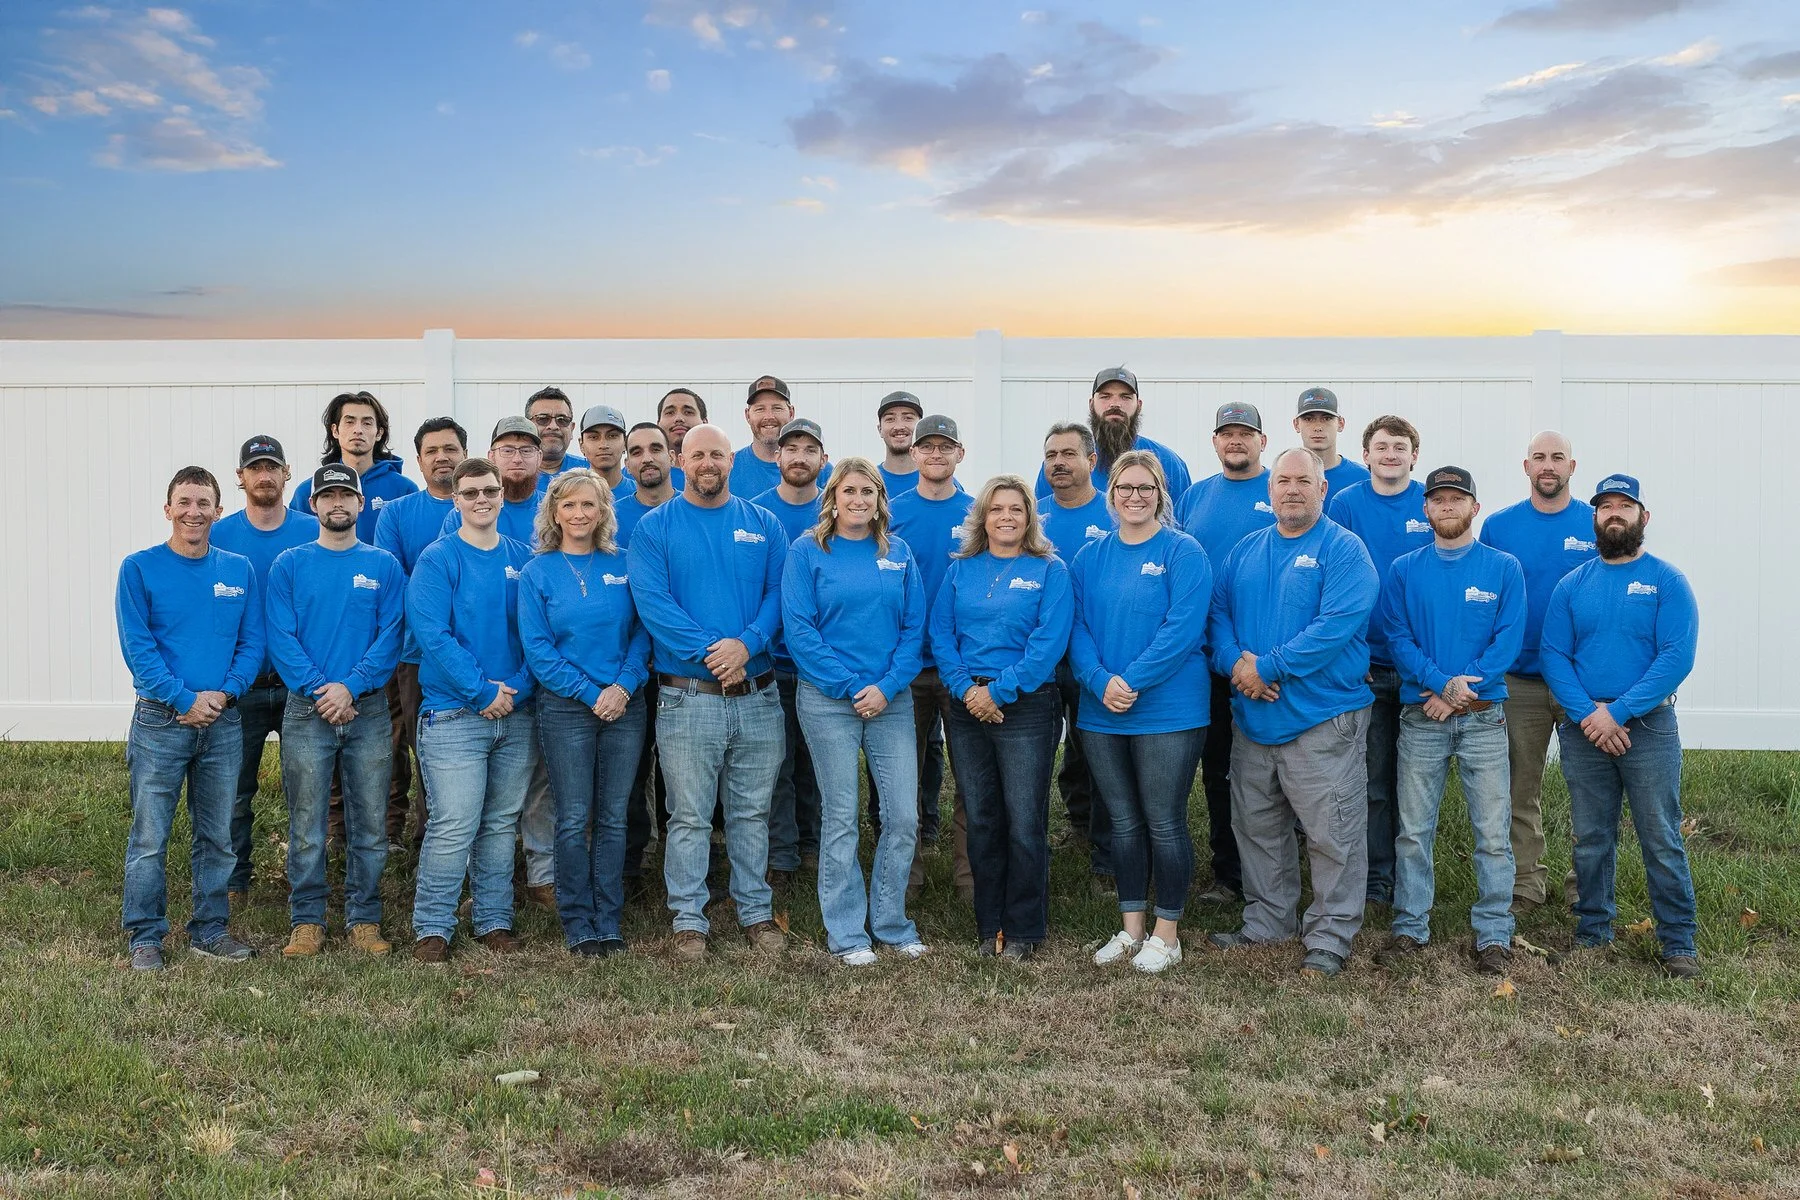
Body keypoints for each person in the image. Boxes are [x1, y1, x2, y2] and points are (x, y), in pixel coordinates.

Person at [1208, 448, 1379, 979]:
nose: (1292, 490)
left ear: (1322, 489)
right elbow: (1217, 614)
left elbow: (1336, 626)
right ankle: (1268, 921)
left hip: (1322, 718)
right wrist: (1236, 665)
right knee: (1257, 827)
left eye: (1304, 481)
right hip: (1253, 718)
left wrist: (1267, 667)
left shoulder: (1344, 550)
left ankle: (1331, 935)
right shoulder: (1245, 550)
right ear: (1270, 489)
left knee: (1333, 833)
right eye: (1283, 480)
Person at [627, 423, 790, 961]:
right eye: (697, 455)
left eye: (717, 454)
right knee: (689, 816)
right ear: (681, 461)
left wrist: (748, 644)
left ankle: (755, 911)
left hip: (758, 696)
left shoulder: (763, 524)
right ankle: (689, 918)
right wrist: (716, 654)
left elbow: (778, 594)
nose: (707, 464)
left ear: (731, 460)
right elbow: (654, 604)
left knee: (751, 813)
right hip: (687, 696)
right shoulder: (654, 528)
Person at [1540, 474, 1701, 979]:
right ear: (1594, 518)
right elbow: (1554, 655)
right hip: (1584, 728)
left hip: (1648, 727)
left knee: (1660, 835)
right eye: (1605, 506)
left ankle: (1678, 941)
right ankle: (1593, 932)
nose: (1614, 514)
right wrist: (1591, 715)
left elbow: (1676, 656)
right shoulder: (1572, 585)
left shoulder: (1667, 581)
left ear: (1642, 517)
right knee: (1590, 837)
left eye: (1624, 506)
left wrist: (1620, 711)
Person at [1375, 466, 1526, 975]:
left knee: (1493, 834)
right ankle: (1410, 926)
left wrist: (1458, 694)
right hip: (1422, 718)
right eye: (1437, 499)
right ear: (1425, 508)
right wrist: (1442, 685)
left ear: (1474, 508)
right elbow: (1398, 639)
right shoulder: (1403, 570)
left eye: (1456, 499)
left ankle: (1494, 934)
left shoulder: (1503, 568)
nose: (1446, 506)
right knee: (1413, 831)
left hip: (1484, 719)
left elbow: (1507, 640)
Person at [782, 457, 930, 965]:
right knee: (841, 816)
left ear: (880, 500)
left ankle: (891, 923)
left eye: (869, 491)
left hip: (891, 699)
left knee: (903, 816)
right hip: (828, 700)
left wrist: (885, 688)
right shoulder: (807, 551)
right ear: (833, 498)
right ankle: (847, 934)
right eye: (849, 491)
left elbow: (914, 630)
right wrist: (850, 687)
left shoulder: (898, 553)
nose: (859, 500)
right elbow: (800, 631)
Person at [116, 466, 263, 969]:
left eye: (204, 503)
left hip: (223, 721)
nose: (193, 512)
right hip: (161, 722)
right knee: (149, 837)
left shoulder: (238, 570)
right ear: (168, 509)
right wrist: (183, 699)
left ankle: (210, 928)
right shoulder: (139, 569)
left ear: (218, 511)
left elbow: (252, 643)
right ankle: (145, 934)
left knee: (218, 836)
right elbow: (139, 649)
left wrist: (225, 693)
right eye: (184, 502)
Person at [1071, 451, 1212, 974]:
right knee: (1123, 823)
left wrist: (1131, 680)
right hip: (1102, 708)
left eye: (1145, 488)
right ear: (1111, 495)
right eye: (1125, 488)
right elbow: (1075, 628)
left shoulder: (1183, 551)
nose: (1135, 496)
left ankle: (1166, 934)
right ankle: (1131, 928)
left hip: (1169, 709)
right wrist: (1099, 680)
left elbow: (1183, 628)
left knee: (1164, 821)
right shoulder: (1089, 557)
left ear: (1160, 494)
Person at [265, 465, 406, 958]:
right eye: (328, 495)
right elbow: (281, 638)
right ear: (314, 505)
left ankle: (363, 918)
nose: (338, 502)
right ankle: (307, 920)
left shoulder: (384, 565)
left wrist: (351, 687)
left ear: (361, 503)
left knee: (370, 822)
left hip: (367, 711)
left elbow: (392, 635)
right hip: (308, 711)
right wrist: (322, 690)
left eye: (347, 494)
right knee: (308, 824)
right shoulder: (289, 565)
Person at [931, 476, 1073, 960]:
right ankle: (988, 924)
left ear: (1030, 517)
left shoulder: (1049, 570)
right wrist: (967, 691)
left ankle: (1024, 929)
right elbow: (941, 635)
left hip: (1026, 705)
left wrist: (999, 692)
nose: (1006, 517)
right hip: (967, 704)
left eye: (1016, 508)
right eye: (996, 509)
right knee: (982, 817)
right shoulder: (960, 568)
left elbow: (1048, 643)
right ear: (982, 518)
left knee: (1024, 821)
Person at [407, 458, 537, 963]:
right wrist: (482, 692)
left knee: (501, 822)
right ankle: (433, 926)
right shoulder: (438, 559)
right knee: (455, 822)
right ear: (455, 499)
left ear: (502, 494)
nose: (481, 499)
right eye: (471, 492)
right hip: (454, 714)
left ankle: (493, 919)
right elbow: (432, 634)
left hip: (517, 712)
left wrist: (517, 688)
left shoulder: (523, 558)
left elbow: (537, 634)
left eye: (490, 490)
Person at [519, 470, 651, 958]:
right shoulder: (537, 572)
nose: (579, 514)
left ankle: (608, 918)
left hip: (625, 704)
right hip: (567, 708)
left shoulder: (624, 563)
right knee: (573, 818)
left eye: (589, 505)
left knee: (614, 817)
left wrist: (623, 686)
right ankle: (577, 920)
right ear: (554, 512)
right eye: (569, 505)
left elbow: (643, 632)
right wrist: (590, 693)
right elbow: (538, 649)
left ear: (603, 512)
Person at [1477, 431, 1597, 913]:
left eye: (1558, 457)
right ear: (1526, 466)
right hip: (1519, 679)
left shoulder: (1596, 522)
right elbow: (1484, 600)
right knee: (1517, 788)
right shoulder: (1499, 527)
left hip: (1583, 681)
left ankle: (1587, 888)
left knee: (1589, 789)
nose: (1549, 465)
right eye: (1540, 457)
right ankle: (1524, 883)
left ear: (1572, 466)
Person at [1326, 415, 1431, 908]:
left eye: (1400, 447)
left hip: (1420, 669)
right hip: (1366, 666)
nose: (1391, 454)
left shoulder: (1431, 503)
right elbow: (1333, 580)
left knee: (1415, 783)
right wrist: (1354, 650)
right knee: (1372, 781)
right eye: (1382, 446)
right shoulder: (1346, 504)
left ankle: (1415, 879)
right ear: (1365, 454)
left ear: (1414, 455)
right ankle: (1376, 879)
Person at [1173, 403, 1276, 905]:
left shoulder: (1280, 489)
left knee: (1276, 771)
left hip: (1268, 662)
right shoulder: (1194, 497)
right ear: (1214, 441)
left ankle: (1276, 872)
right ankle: (1229, 873)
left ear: (1262, 441)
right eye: (1226, 433)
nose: (1236, 441)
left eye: (1245, 433)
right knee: (1218, 768)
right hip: (1208, 657)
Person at [209, 436, 318, 907]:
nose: (264, 475)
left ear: (286, 473)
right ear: (241, 477)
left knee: (306, 791)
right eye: (255, 467)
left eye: (272, 466)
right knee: (234, 791)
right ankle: (234, 880)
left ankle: (306, 881)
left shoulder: (313, 530)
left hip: (302, 685)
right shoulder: (219, 535)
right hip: (242, 685)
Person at [887, 415, 977, 900]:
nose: (937, 454)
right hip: (905, 666)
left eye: (946, 446)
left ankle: (970, 879)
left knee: (970, 777)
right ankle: (906, 878)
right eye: (928, 447)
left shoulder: (977, 513)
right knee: (903, 779)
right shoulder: (892, 511)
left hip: (962, 667)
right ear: (915, 453)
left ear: (960, 453)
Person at [374, 417, 469, 854]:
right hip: (415, 653)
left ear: (464, 454)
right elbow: (395, 582)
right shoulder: (397, 514)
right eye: (432, 451)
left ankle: (460, 840)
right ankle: (422, 839)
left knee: (465, 749)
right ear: (418, 460)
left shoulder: (482, 506)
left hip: (475, 652)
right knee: (417, 744)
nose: (442, 457)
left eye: (450, 449)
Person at [751, 418, 830, 889]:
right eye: (791, 448)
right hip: (772, 661)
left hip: (823, 665)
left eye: (809, 449)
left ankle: (815, 846)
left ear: (824, 458)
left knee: (818, 762)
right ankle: (781, 855)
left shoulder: (836, 510)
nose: (799, 457)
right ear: (776, 456)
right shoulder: (758, 513)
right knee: (775, 764)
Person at [1038, 421, 1114, 889]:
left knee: (1098, 754)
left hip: (1095, 659)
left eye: (1068, 454)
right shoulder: (1032, 516)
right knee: (1038, 756)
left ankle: (1107, 856)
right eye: (1051, 456)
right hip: (1040, 661)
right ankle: (1066, 831)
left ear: (1091, 461)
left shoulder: (1115, 511)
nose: (1059, 463)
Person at [614, 422, 679, 889]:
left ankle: (687, 856)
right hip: (632, 664)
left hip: (683, 663)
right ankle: (632, 861)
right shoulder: (612, 517)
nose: (647, 458)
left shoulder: (693, 510)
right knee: (633, 766)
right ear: (627, 462)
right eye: (636, 451)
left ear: (672, 455)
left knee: (681, 769)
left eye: (656, 448)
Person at [1033, 367, 1190, 501]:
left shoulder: (1168, 462)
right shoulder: (1061, 465)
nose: (1115, 404)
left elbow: (1182, 521)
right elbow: (1040, 518)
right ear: (1091, 404)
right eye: (1105, 396)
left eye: (1125, 397)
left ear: (1139, 405)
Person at [289, 390, 418, 543]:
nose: (358, 430)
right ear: (335, 430)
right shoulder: (308, 491)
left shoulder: (404, 490)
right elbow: (297, 547)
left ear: (379, 433)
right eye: (349, 422)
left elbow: (412, 547)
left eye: (367, 423)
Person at [441, 417, 544, 543]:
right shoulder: (463, 514)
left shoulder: (554, 510)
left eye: (526, 450)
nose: (517, 459)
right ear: (491, 456)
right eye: (507, 450)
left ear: (539, 457)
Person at [1293, 387, 1370, 499]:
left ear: (1341, 423)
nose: (1318, 427)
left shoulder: (1363, 478)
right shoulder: (1284, 478)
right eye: (1308, 419)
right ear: (1296, 424)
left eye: (1327, 418)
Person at [647, 387, 705, 490]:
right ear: (658, 424)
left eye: (688, 412)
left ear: (704, 422)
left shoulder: (727, 471)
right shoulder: (636, 473)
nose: (679, 419)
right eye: (670, 412)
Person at [527, 386, 588, 481]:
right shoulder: (507, 474)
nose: (553, 426)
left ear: (572, 429)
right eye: (542, 419)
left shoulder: (590, 472)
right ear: (527, 426)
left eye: (562, 420)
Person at [876, 391, 925, 496]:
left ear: (920, 427)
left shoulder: (941, 483)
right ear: (880, 429)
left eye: (908, 418)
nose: (899, 426)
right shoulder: (868, 480)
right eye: (890, 419)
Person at [577, 405, 629, 493]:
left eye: (612, 436)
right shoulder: (570, 496)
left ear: (625, 442)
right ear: (581, 445)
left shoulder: (642, 495)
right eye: (594, 437)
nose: (603, 445)